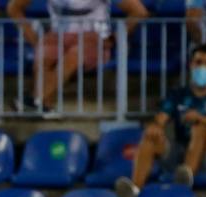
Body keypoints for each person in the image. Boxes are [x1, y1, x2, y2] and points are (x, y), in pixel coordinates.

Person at [114, 43, 206, 197]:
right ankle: (135, 190)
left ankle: (183, 188)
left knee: (201, 129)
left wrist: (201, 118)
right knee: (150, 137)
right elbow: (160, 119)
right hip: (181, 153)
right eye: (198, 62)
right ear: (191, 65)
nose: (202, 67)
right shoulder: (178, 95)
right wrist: (155, 127)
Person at [9, 0, 149, 116]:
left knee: (75, 53)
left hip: (94, 40)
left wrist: (113, 39)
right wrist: (36, 41)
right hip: (58, 37)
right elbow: (13, 8)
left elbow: (139, 12)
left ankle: (35, 99)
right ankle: (45, 107)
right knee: (45, 52)